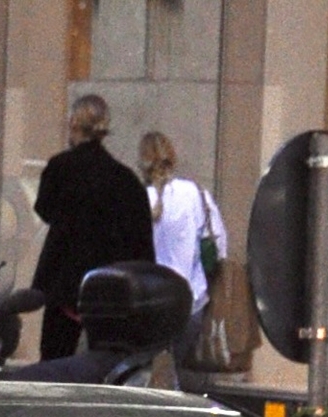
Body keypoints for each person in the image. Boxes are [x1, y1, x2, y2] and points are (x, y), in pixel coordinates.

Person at [29, 95, 155, 362]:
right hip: (109, 295)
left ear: (74, 123)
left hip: (65, 286)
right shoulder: (126, 180)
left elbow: (44, 209)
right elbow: (141, 242)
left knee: (54, 363)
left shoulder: (60, 168)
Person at [137, 132, 227, 391]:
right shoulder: (195, 194)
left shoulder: (139, 199)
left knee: (146, 379)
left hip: (148, 306)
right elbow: (218, 246)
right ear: (171, 158)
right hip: (191, 302)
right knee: (185, 383)